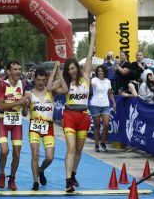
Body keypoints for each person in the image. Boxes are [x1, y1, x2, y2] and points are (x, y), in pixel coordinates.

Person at [52, 24, 95, 192]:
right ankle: (68, 180)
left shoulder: (85, 77)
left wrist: (93, 35)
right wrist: (55, 74)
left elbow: (90, 57)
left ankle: (74, 174)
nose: (70, 71)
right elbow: (51, 88)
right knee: (70, 148)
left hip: (84, 116)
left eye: (72, 68)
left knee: (79, 149)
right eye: (68, 69)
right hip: (69, 115)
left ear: (77, 67)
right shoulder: (66, 83)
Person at [24, 64, 63, 191]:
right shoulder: (28, 94)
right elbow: (24, 114)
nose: (40, 83)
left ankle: (41, 170)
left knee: (50, 157)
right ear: (34, 79)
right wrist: (25, 106)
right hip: (34, 127)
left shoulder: (50, 92)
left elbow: (64, 85)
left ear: (46, 80)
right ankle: (35, 182)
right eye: (38, 80)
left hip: (48, 127)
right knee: (35, 154)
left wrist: (57, 70)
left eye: (43, 80)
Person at [0, 60, 29, 191]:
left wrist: (25, 105)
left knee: (16, 153)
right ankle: (2, 173)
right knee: (4, 151)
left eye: (19, 69)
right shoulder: (2, 84)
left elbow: (25, 113)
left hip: (17, 122)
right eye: (15, 69)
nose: (18, 72)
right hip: (3, 120)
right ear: (9, 71)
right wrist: (17, 102)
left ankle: (12, 178)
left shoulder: (24, 84)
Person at [90, 65, 116, 152]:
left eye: (101, 70)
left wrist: (114, 103)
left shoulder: (108, 81)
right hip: (95, 104)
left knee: (106, 124)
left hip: (105, 104)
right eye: (98, 71)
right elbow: (92, 85)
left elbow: (110, 93)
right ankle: (96, 144)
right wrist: (91, 82)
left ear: (104, 71)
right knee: (97, 125)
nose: (100, 72)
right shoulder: (94, 80)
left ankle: (103, 143)